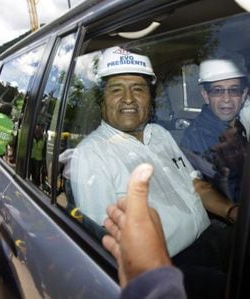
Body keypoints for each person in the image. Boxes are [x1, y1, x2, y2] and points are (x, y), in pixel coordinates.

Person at [69, 47, 237, 298]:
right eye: (116, 89)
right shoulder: (91, 155)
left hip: (210, 236)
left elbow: (197, 185)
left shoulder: (159, 134)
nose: (128, 99)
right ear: (102, 100)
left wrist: (232, 211)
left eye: (138, 88)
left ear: (150, 97)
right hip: (169, 266)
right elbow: (104, 248)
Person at [102, 163, 187, 299]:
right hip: (180, 262)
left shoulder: (163, 141)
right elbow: (102, 224)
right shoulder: (91, 153)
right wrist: (153, 277)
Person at [180, 58, 250, 202]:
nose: (226, 98)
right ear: (206, 96)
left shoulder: (240, 122)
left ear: (243, 95)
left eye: (234, 90)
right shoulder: (197, 138)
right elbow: (227, 195)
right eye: (217, 90)